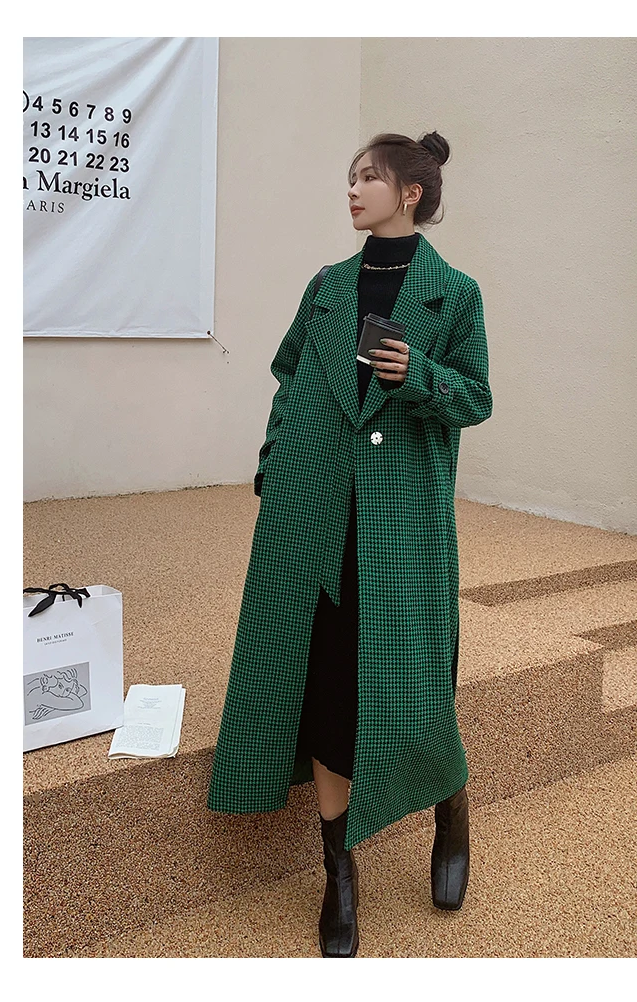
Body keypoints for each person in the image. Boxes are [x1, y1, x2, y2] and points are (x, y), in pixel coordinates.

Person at [207, 131, 493, 958]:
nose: (354, 189)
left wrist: (420, 377)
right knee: (328, 679)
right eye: (351, 178)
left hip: (402, 517)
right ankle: (339, 871)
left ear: (411, 193)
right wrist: (273, 460)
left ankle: (451, 807)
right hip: (313, 511)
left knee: (413, 676)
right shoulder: (328, 286)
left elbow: (476, 398)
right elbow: (292, 375)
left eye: (369, 177)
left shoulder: (455, 294)